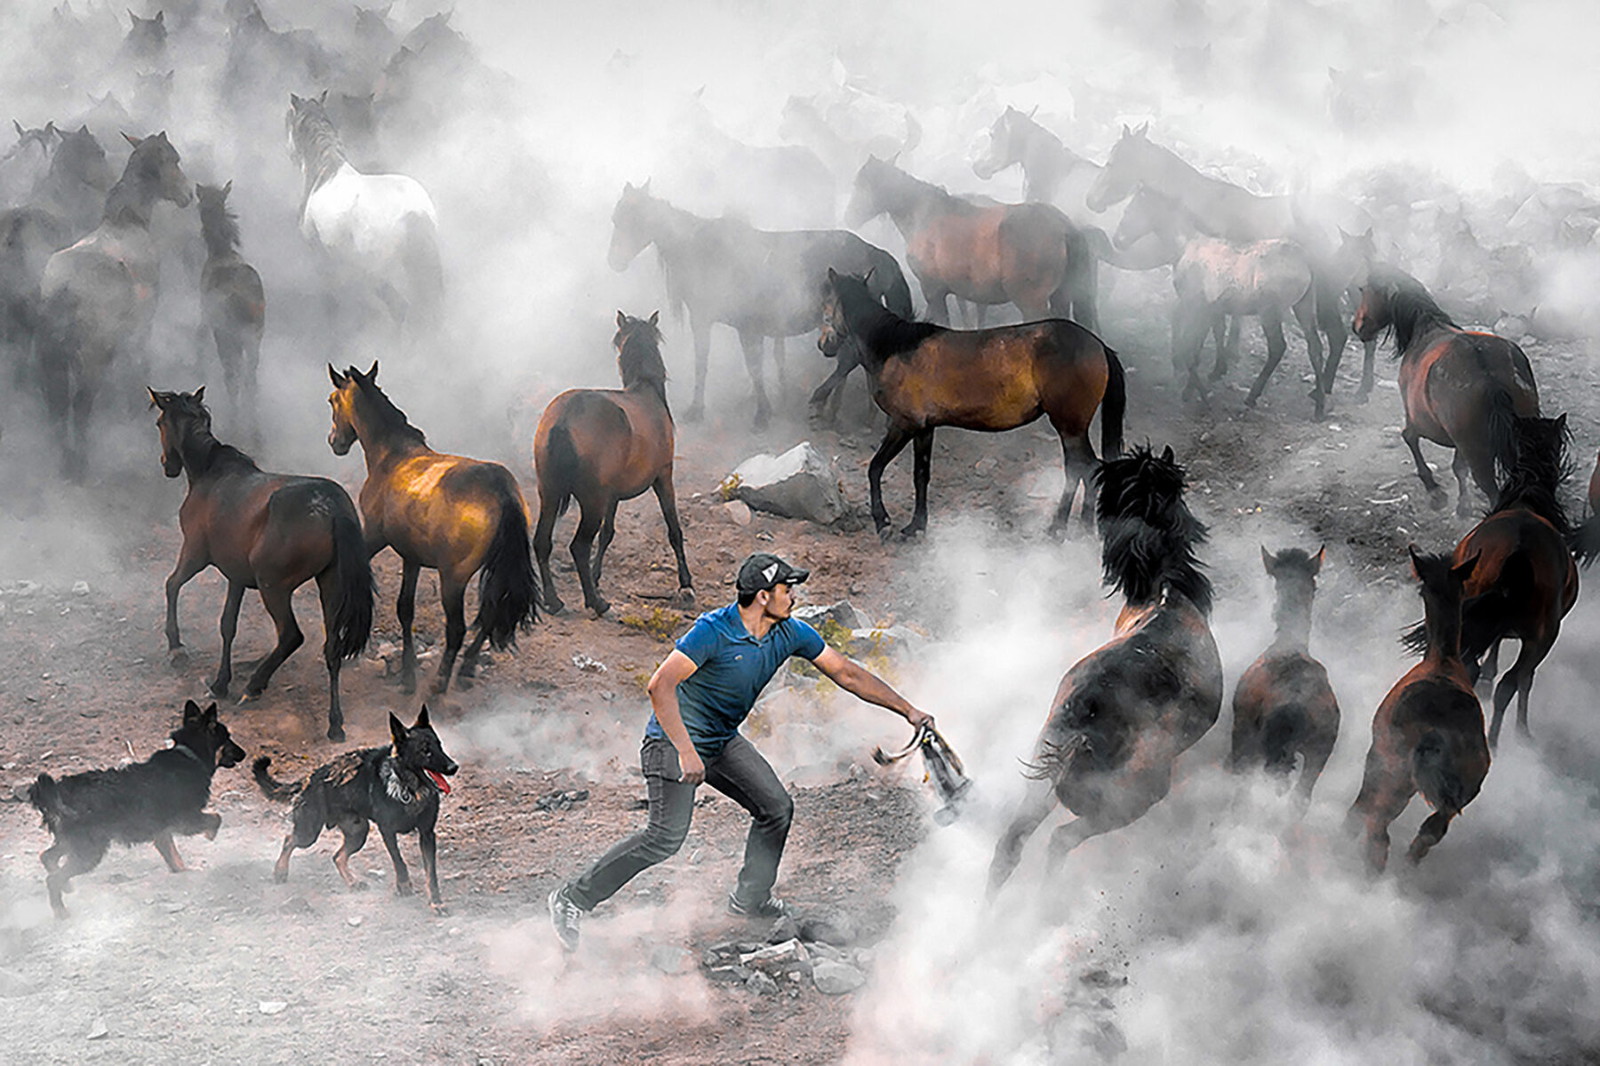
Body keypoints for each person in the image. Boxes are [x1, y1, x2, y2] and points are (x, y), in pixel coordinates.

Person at [549, 551, 933, 951]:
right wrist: (686, 751)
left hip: (720, 740)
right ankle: (572, 898)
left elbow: (847, 673)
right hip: (671, 740)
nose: (795, 596)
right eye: (788, 589)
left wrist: (908, 711)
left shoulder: (791, 633)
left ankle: (750, 899)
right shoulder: (713, 630)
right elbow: (659, 686)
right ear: (764, 595)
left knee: (776, 808)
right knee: (665, 837)